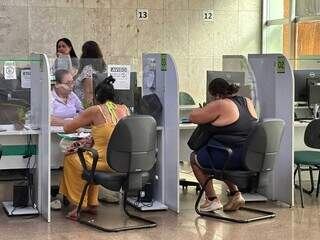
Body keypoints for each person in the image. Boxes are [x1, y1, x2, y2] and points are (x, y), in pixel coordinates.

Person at [59, 76, 130, 220]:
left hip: (103, 162)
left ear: (96, 97)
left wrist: (87, 121)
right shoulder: (125, 109)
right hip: (123, 162)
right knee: (90, 159)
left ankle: (79, 204)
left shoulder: (95, 110)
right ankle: (91, 203)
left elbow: (67, 128)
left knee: (72, 159)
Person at [189, 78, 258, 212]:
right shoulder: (247, 101)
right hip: (249, 157)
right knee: (221, 159)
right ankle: (235, 194)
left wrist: (204, 108)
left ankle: (212, 199)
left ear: (216, 95)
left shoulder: (221, 104)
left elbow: (193, 117)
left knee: (194, 158)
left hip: (230, 157)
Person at [74, 40, 106, 107]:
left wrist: (86, 109)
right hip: (99, 105)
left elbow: (89, 92)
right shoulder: (103, 68)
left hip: (84, 107)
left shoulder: (88, 69)